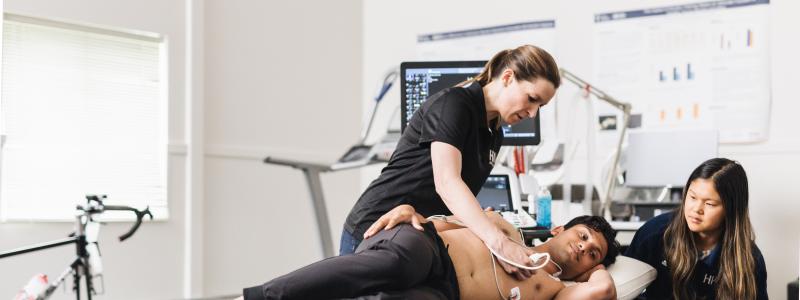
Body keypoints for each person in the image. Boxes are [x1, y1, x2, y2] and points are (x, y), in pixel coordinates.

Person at [342, 45, 561, 280]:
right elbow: (447, 183)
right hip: (376, 224)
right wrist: (499, 243)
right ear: (508, 77)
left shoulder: (495, 133)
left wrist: (481, 222)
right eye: (532, 99)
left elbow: (449, 203)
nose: (533, 114)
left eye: (540, 106)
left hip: (415, 235)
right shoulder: (454, 105)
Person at [239, 204, 620, 300]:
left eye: (592, 252)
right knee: (398, 265)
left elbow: (603, 290)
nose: (584, 246)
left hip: (446, 293)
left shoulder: (556, 290)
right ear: (559, 228)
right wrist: (409, 210)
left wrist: (597, 269)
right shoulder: (504, 227)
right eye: (584, 235)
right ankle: (261, 297)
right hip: (427, 249)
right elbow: (438, 220)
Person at [624, 157, 768, 299]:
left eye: (710, 204)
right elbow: (623, 288)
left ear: (731, 209)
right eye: (692, 197)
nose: (696, 209)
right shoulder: (654, 233)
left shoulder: (750, 259)